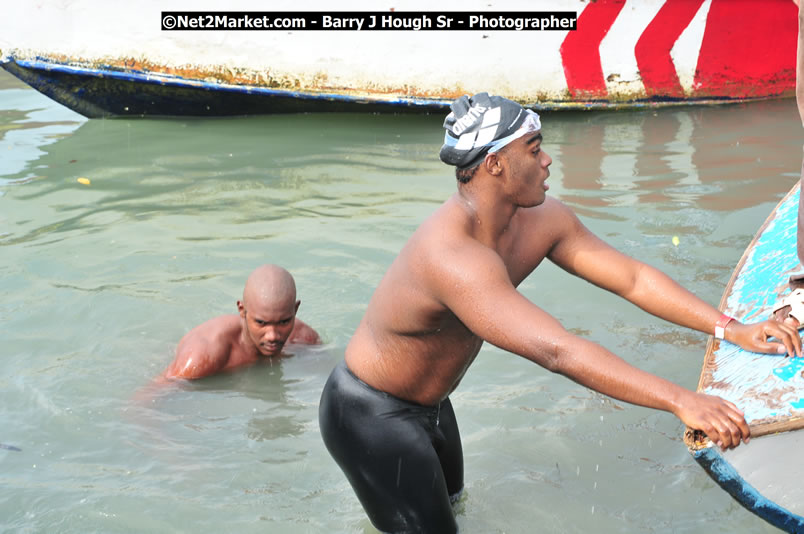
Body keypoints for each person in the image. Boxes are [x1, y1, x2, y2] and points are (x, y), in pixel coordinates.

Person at [318, 93, 802, 534]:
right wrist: (682, 400)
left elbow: (632, 278)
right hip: (370, 415)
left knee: (456, 509)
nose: (547, 159)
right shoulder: (454, 258)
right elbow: (557, 351)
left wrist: (732, 329)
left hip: (433, 405)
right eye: (534, 150)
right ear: (495, 164)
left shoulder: (540, 219)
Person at [163, 264, 320, 380]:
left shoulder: (304, 339)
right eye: (261, 323)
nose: (272, 336)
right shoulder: (202, 357)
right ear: (242, 310)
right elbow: (155, 399)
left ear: (295, 310)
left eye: (284, 322)